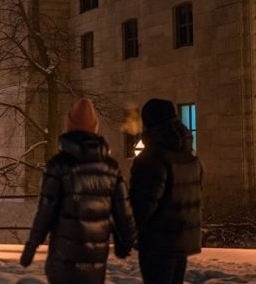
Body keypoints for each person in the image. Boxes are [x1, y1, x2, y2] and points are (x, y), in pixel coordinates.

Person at [21, 98, 136, 284]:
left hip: (64, 255)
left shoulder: (58, 165)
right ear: (95, 128)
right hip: (96, 256)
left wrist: (31, 246)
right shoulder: (111, 168)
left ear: (69, 126)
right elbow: (124, 210)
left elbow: (45, 211)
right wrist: (129, 240)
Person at [130, 98, 203, 284]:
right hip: (182, 240)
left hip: (157, 242)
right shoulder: (190, 156)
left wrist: (126, 230)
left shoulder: (151, 158)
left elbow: (142, 204)